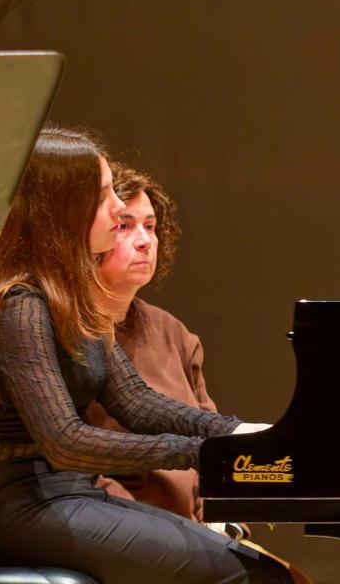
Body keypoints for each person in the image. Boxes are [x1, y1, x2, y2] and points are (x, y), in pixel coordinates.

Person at [0, 126, 290, 584]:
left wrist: (238, 433)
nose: (119, 207)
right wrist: (202, 452)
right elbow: (65, 440)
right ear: (63, 209)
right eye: (104, 197)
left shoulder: (72, 296)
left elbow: (134, 401)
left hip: (68, 498)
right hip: (20, 508)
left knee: (253, 566)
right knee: (236, 573)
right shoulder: (20, 305)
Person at [85, 164, 219, 523]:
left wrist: (222, 522)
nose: (145, 240)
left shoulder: (174, 333)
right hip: (117, 524)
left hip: (193, 532)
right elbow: (75, 469)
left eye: (150, 226)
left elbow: (213, 449)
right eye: (125, 226)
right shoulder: (69, 332)